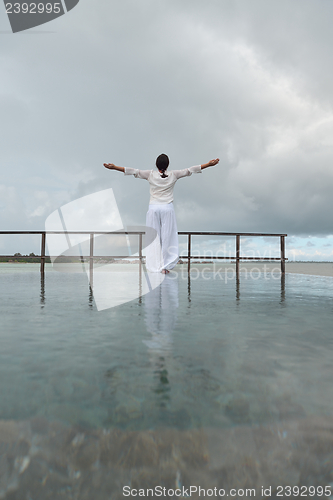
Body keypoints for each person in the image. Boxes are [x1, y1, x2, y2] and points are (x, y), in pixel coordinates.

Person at [104, 154, 219, 273]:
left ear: (156, 164)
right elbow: (190, 170)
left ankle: (155, 267)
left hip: (153, 208)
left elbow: (133, 171)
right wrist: (208, 165)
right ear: (167, 165)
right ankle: (165, 266)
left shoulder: (150, 174)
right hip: (167, 208)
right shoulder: (174, 174)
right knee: (168, 237)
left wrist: (114, 167)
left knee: (154, 237)